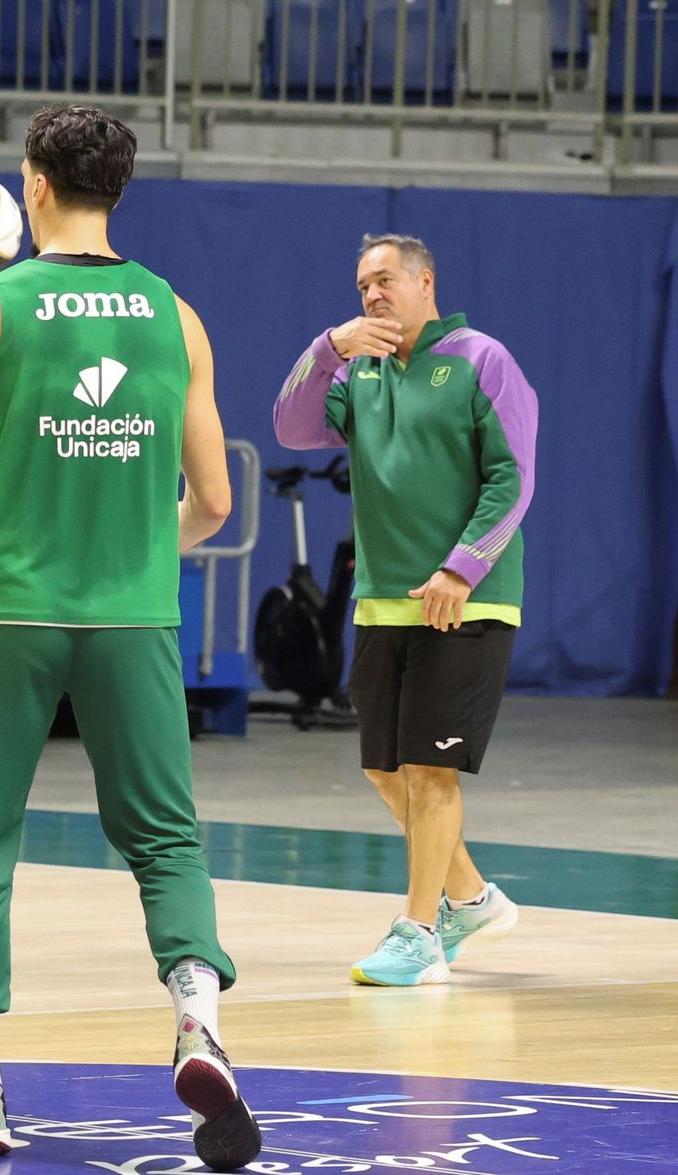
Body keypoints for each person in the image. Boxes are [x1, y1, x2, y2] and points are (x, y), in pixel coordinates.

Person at [0, 105, 261, 1170]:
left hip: (8, 615)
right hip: (131, 616)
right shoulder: (177, 317)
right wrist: (131, 541)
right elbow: (211, 503)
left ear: (32, 185)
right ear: (114, 188)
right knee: (165, 839)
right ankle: (197, 1021)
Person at [275, 234, 535, 987]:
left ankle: (419, 932)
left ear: (426, 282)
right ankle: (470, 897)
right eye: (361, 286)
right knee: (386, 771)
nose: (372, 296)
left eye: (385, 280)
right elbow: (291, 424)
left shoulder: (483, 360)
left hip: (467, 598)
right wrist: (329, 346)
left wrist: (462, 567)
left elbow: (512, 479)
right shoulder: (358, 369)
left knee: (429, 770)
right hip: (382, 602)